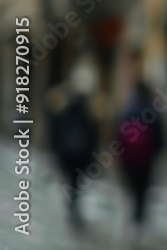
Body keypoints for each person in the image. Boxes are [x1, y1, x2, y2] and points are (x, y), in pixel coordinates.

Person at [48, 61, 100, 230]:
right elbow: (93, 135)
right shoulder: (88, 112)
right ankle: (74, 202)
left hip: (67, 153)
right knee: (76, 181)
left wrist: (56, 150)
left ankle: (72, 202)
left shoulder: (66, 109)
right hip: (81, 154)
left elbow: (57, 129)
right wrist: (93, 156)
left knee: (71, 179)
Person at [116, 68, 165, 237]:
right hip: (145, 159)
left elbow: (119, 133)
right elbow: (159, 137)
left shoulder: (129, 107)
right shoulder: (152, 110)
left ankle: (132, 217)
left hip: (128, 159)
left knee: (131, 186)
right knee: (142, 190)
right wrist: (155, 153)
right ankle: (138, 218)